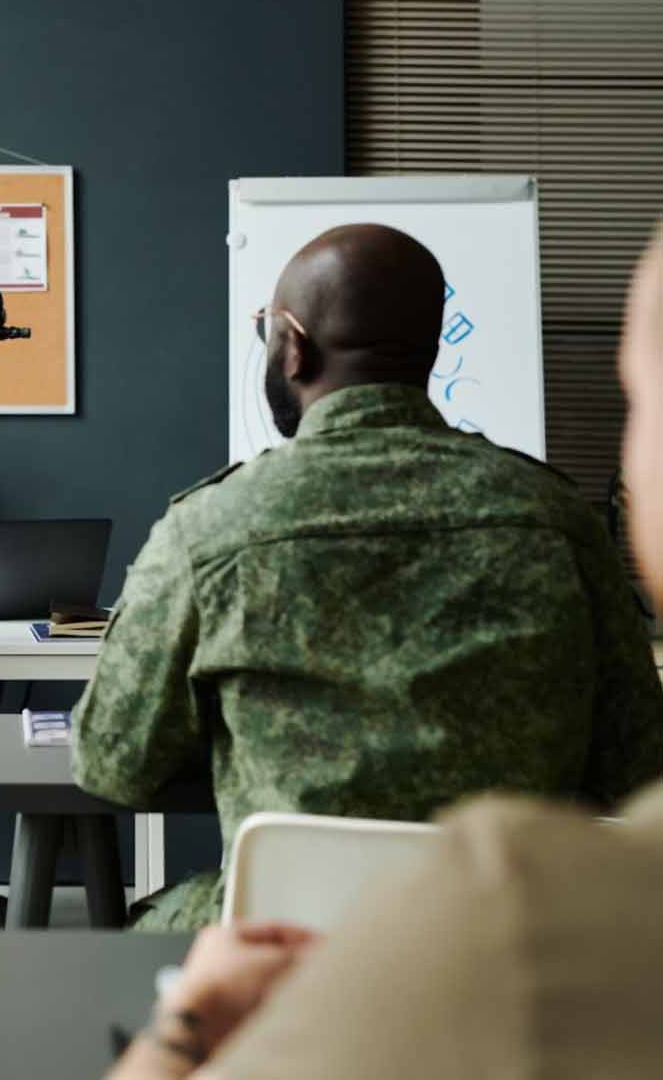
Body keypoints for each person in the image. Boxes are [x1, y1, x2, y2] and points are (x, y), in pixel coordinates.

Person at [105, 227, 663, 1080]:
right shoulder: (555, 519)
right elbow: (638, 765)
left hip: (275, 977)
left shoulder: (210, 528)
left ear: (290, 344)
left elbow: (113, 762)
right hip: (515, 978)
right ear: (427, 348)